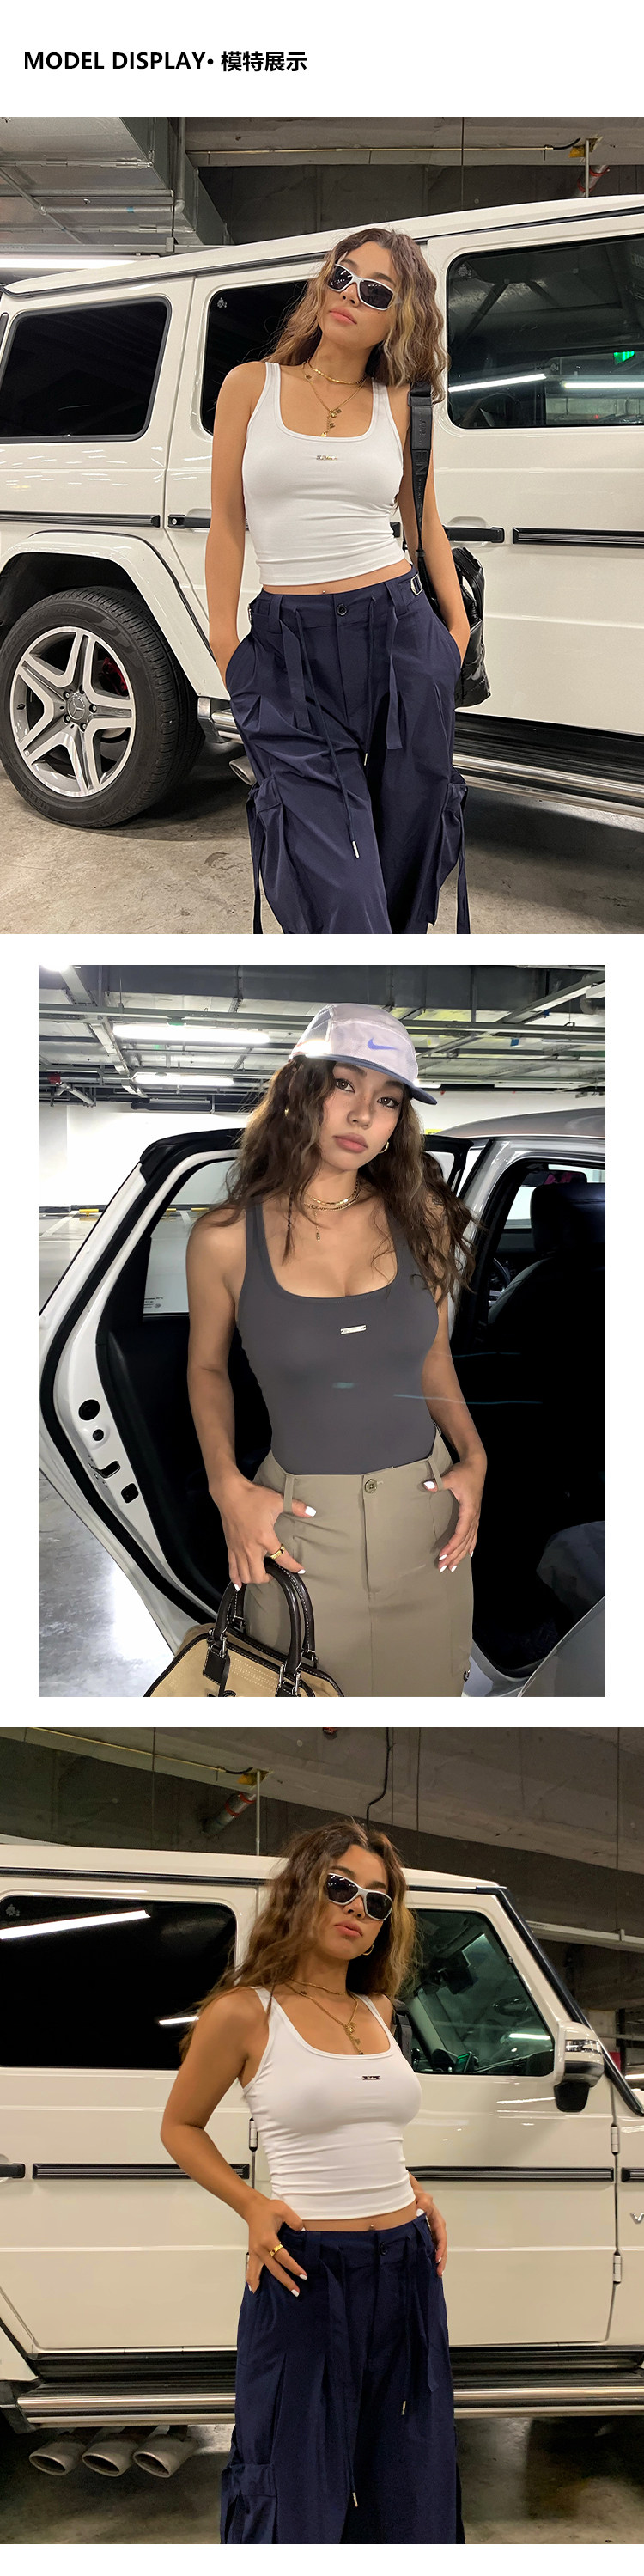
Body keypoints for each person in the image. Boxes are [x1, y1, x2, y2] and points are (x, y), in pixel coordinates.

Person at [160, 1818, 465, 2545]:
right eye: (341, 1887)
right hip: (306, 2270)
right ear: (301, 1889)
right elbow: (180, 2127)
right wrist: (252, 2204)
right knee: (294, 2473)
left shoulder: (379, 2010)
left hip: (407, 2266)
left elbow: (367, 2123)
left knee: (411, 2466)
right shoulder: (244, 2012)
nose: (359, 1908)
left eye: (378, 1901)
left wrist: (411, 2188)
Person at [186, 1001, 487, 1696]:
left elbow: (433, 1357)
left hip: (426, 1521)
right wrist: (226, 1487)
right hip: (299, 1529)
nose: (362, 1115)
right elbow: (205, 1368)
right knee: (306, 1714)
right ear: (299, 1091)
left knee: (428, 1709)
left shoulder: (424, 1218)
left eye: (387, 1100)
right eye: (344, 1085)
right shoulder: (224, 1238)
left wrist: (475, 1458)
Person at [205, 226, 471, 936]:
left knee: (407, 854)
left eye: (376, 291)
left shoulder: (401, 402)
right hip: (286, 649)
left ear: (400, 318)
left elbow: (424, 524)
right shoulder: (249, 386)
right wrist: (227, 646)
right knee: (338, 878)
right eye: (342, 275)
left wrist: (455, 634)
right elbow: (227, 525)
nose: (350, 295)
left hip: (398, 637)